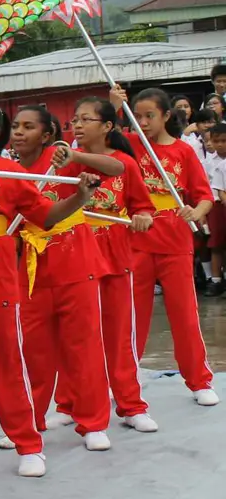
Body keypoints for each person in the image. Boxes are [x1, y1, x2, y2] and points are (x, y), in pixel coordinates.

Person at [0, 99, 102, 477]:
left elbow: (45, 216)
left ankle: (28, 444)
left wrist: (80, 197)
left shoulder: (9, 172)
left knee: (6, 367)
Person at [8, 105, 115, 450]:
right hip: (31, 269)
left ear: (48, 135)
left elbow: (119, 167)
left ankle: (93, 422)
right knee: (33, 351)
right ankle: (29, 421)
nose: (20, 132)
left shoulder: (62, 158)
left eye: (28, 127)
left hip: (75, 261)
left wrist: (78, 157)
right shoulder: (5, 170)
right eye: (15, 126)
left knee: (83, 346)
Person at [110, 86, 218, 406]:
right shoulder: (129, 145)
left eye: (149, 116)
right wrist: (115, 108)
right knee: (132, 318)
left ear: (166, 116)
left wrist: (194, 211)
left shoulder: (184, 152)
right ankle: (125, 382)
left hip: (175, 241)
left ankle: (198, 380)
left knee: (184, 315)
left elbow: (204, 198)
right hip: (137, 240)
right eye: (138, 116)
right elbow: (100, 143)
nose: (142, 122)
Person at [63, 97, 158, 431]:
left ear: (106, 127)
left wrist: (143, 217)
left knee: (119, 333)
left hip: (115, 252)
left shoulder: (125, 164)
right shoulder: (64, 163)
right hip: (75, 252)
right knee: (77, 335)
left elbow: (142, 206)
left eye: (85, 119)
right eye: (74, 119)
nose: (76, 124)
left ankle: (131, 404)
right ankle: (69, 403)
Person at [204, 124, 226, 297]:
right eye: (215, 141)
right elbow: (210, 189)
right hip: (216, 205)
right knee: (216, 244)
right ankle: (215, 280)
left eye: (224, 141)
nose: (219, 145)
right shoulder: (208, 162)